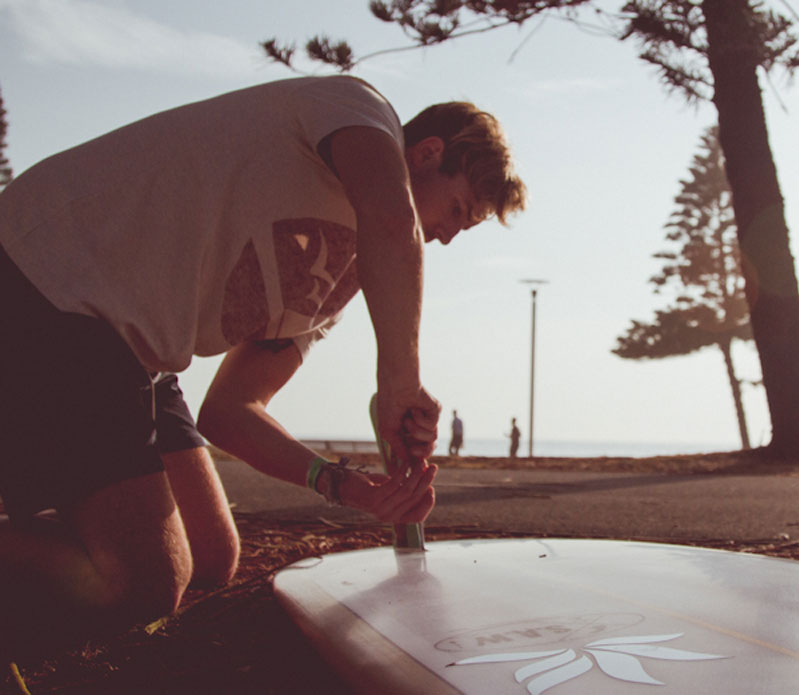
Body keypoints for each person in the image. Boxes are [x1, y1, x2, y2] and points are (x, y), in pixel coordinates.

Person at [0, 75, 526, 654]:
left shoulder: (336, 284)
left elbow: (231, 411)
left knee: (210, 555)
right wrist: (401, 381)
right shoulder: (357, 108)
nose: (447, 238)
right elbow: (391, 219)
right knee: (144, 584)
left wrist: (345, 485)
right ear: (427, 154)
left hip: (140, 354)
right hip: (49, 282)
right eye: (457, 210)